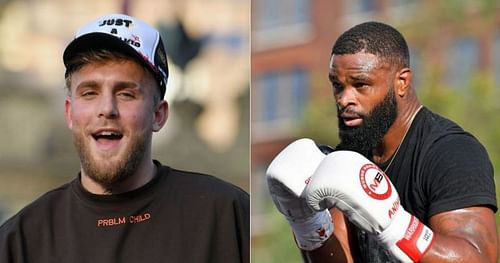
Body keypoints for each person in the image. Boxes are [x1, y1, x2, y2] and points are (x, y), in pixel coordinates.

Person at [0, 13, 249, 263]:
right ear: (70, 112)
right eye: (89, 93)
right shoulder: (19, 241)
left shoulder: (226, 216)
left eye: (126, 94)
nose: (107, 108)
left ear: (158, 115)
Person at [266, 21, 497, 262]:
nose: (345, 99)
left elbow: (479, 257)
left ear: (402, 82)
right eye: (338, 86)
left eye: (360, 85)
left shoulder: (450, 152)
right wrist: (308, 224)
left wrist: (397, 227)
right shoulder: (347, 159)